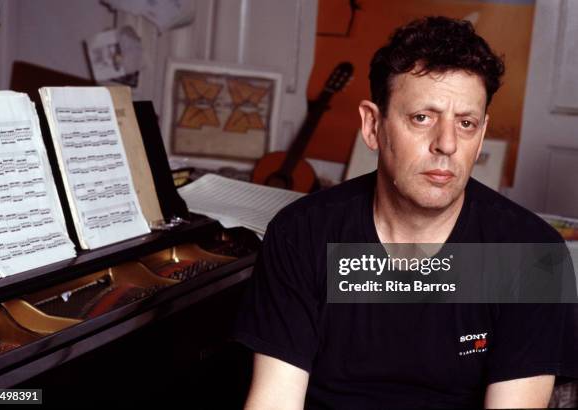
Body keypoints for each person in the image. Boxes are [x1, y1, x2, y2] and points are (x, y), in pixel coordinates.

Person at [232, 16, 577, 409]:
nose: (446, 143)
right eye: (422, 118)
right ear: (373, 125)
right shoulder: (300, 234)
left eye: (466, 123)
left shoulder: (531, 254)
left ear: (481, 134)